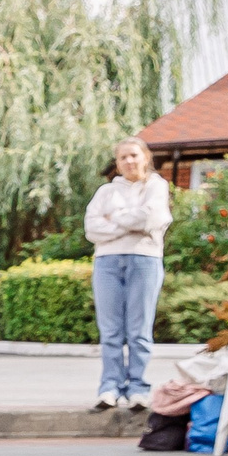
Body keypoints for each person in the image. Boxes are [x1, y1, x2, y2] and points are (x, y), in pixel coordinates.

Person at [86, 137, 171, 411]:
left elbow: (151, 219)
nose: (129, 161)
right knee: (110, 331)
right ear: (117, 162)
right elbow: (92, 229)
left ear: (145, 156)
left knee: (139, 330)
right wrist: (130, 222)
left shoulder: (157, 187)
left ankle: (138, 388)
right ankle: (109, 387)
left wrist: (114, 219)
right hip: (107, 262)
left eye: (134, 155)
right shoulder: (105, 193)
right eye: (123, 157)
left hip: (144, 260)